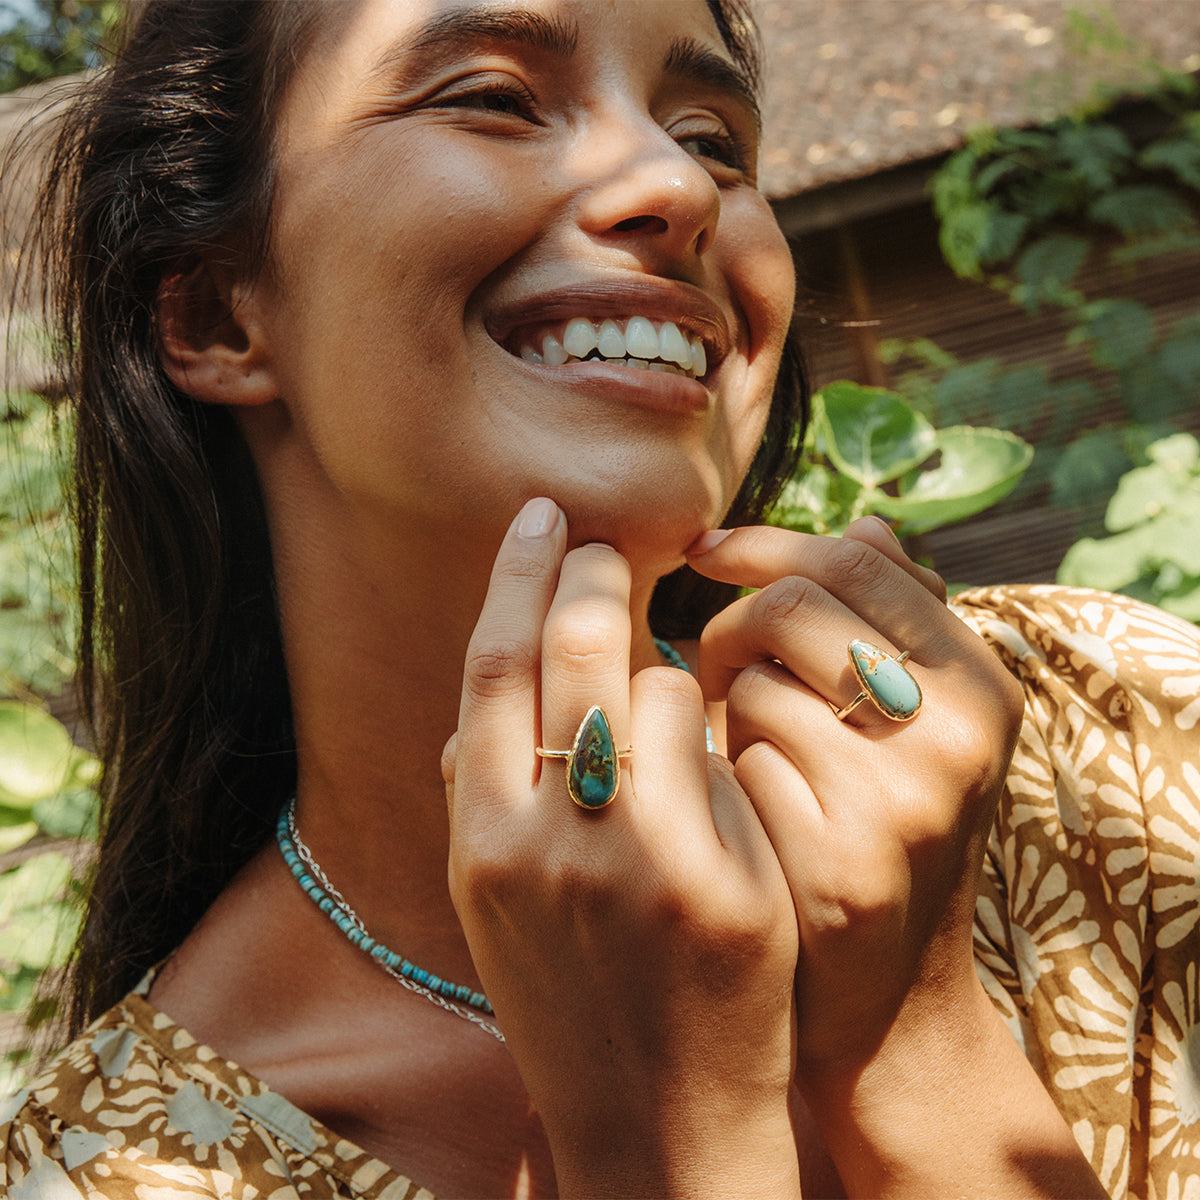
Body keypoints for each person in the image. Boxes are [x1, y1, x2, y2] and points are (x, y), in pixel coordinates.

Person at [1, 1, 1196, 1197]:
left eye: (715, 138)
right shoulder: (112, 1167)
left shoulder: (1117, 736)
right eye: (493, 97)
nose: (678, 185)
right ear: (218, 312)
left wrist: (917, 1037)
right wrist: (675, 1145)